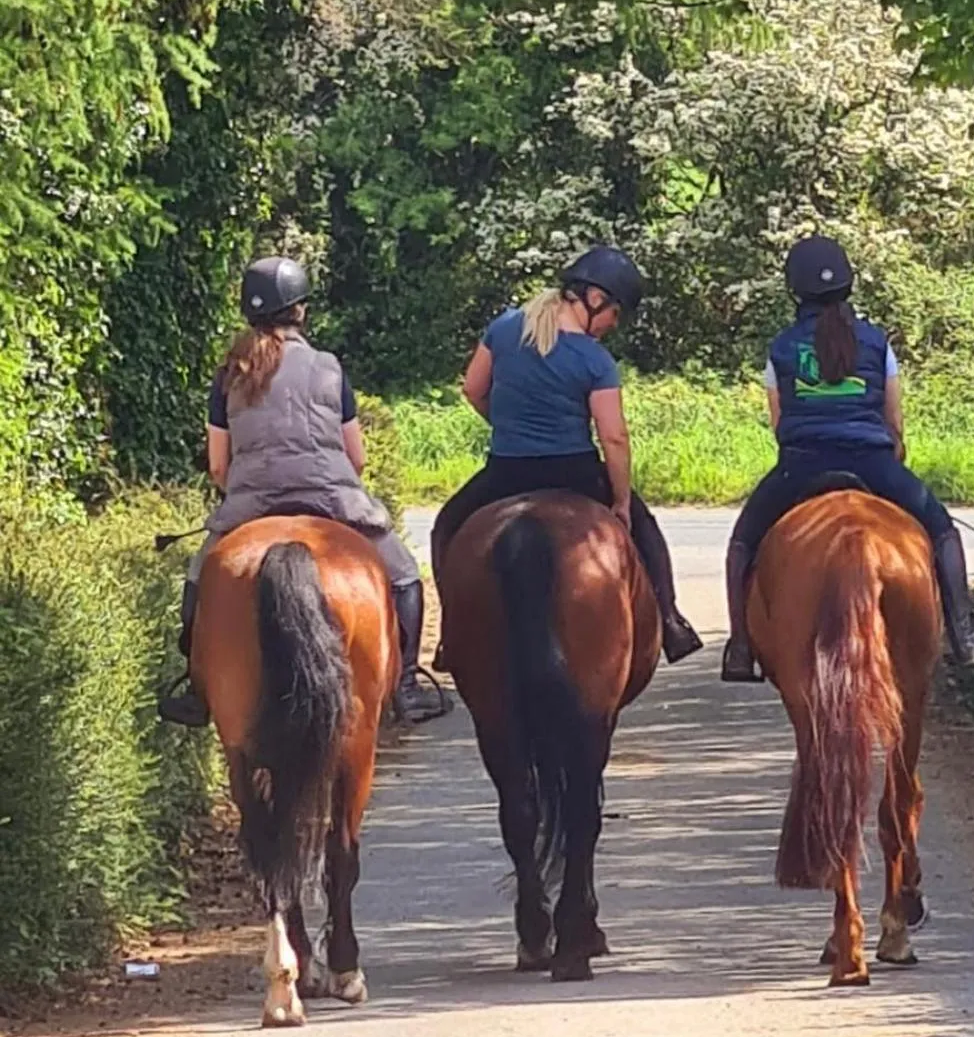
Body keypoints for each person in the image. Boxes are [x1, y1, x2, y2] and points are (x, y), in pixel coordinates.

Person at [158, 256, 446, 727]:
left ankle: (195, 691)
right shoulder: (329, 368)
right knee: (404, 575)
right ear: (300, 311)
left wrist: (246, 489)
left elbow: (217, 465)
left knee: (201, 576)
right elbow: (357, 458)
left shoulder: (229, 371)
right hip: (333, 499)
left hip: (250, 503)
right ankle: (407, 686)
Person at [721, 234, 974, 682]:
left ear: (795, 290)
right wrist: (893, 458)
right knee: (943, 530)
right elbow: (894, 421)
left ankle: (741, 648)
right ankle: (963, 636)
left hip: (801, 464)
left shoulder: (782, 348)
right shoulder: (877, 343)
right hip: (873, 462)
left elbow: (778, 422)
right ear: (848, 284)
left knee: (741, 543)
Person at [430, 246, 703, 665]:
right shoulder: (595, 359)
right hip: (575, 472)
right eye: (615, 313)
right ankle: (670, 622)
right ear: (595, 299)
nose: (613, 324)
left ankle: (451, 636)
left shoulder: (505, 328)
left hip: (506, 471)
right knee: (646, 533)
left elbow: (472, 389)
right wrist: (623, 501)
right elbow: (613, 437)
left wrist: (509, 425)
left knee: (446, 527)